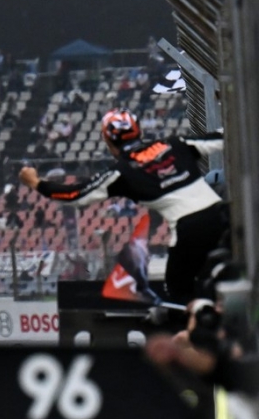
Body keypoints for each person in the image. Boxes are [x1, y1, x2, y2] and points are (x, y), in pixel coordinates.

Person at [19, 108, 227, 304]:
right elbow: (220, 137)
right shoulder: (175, 144)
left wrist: (36, 183)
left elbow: (75, 194)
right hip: (223, 215)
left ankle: (205, 317)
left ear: (108, 142)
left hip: (188, 229)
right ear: (139, 132)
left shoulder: (120, 173)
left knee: (178, 291)